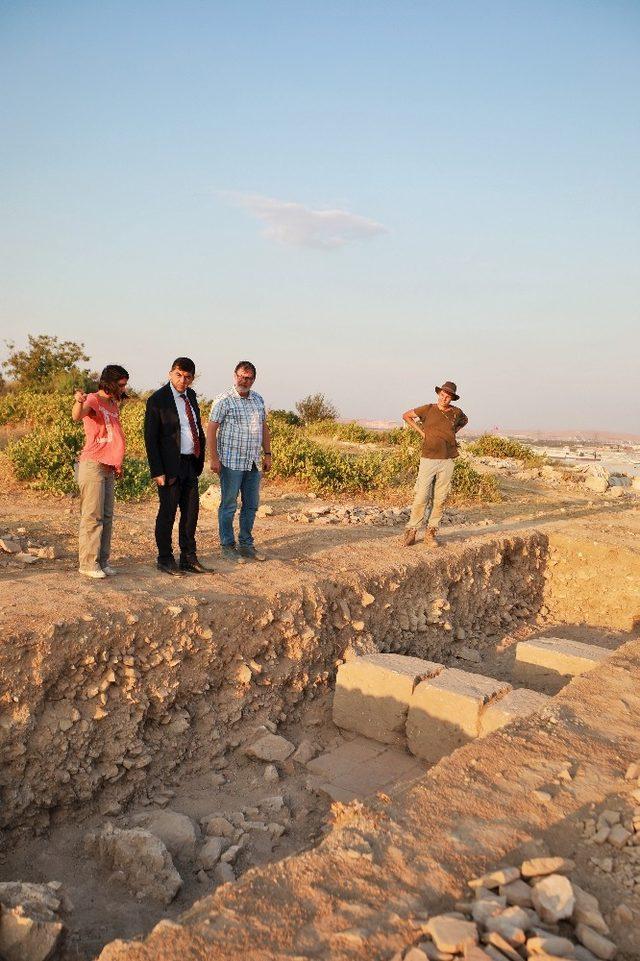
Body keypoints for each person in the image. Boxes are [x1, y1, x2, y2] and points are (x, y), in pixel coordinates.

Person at [144, 357, 210, 575]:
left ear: (192, 379)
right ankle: (164, 558)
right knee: (168, 513)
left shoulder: (191, 396)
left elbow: (195, 427)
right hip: (169, 466)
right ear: (170, 373)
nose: (183, 380)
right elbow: (150, 438)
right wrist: (157, 470)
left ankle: (188, 557)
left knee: (191, 513)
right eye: (179, 375)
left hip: (190, 462)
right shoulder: (158, 399)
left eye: (188, 377)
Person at [207, 361, 271, 561]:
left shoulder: (258, 399)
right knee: (228, 505)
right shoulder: (224, 400)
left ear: (254, 379)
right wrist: (214, 458)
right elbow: (211, 429)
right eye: (242, 376)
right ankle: (227, 546)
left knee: (251, 505)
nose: (245, 381)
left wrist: (267, 454)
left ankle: (246, 545)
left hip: (252, 462)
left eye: (249, 377)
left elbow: (263, 427)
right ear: (235, 376)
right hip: (231, 461)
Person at [72, 365, 129, 579]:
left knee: (106, 516)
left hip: (108, 466)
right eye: (121, 384)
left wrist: (117, 462)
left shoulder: (114, 403)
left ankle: (102, 561)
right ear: (111, 383)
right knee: (92, 516)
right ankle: (87, 563)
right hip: (93, 464)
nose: (124, 389)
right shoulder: (93, 400)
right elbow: (78, 416)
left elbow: (114, 435)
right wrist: (78, 401)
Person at [402, 380, 468, 547]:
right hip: (428, 459)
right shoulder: (428, 409)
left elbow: (464, 421)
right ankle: (412, 532)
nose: (444, 398)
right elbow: (406, 416)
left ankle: (430, 534)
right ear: (439, 394)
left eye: (447, 396)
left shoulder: (456, 412)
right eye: (442, 395)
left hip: (447, 460)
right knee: (421, 496)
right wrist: (422, 433)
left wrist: (453, 432)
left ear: (452, 398)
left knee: (440, 499)